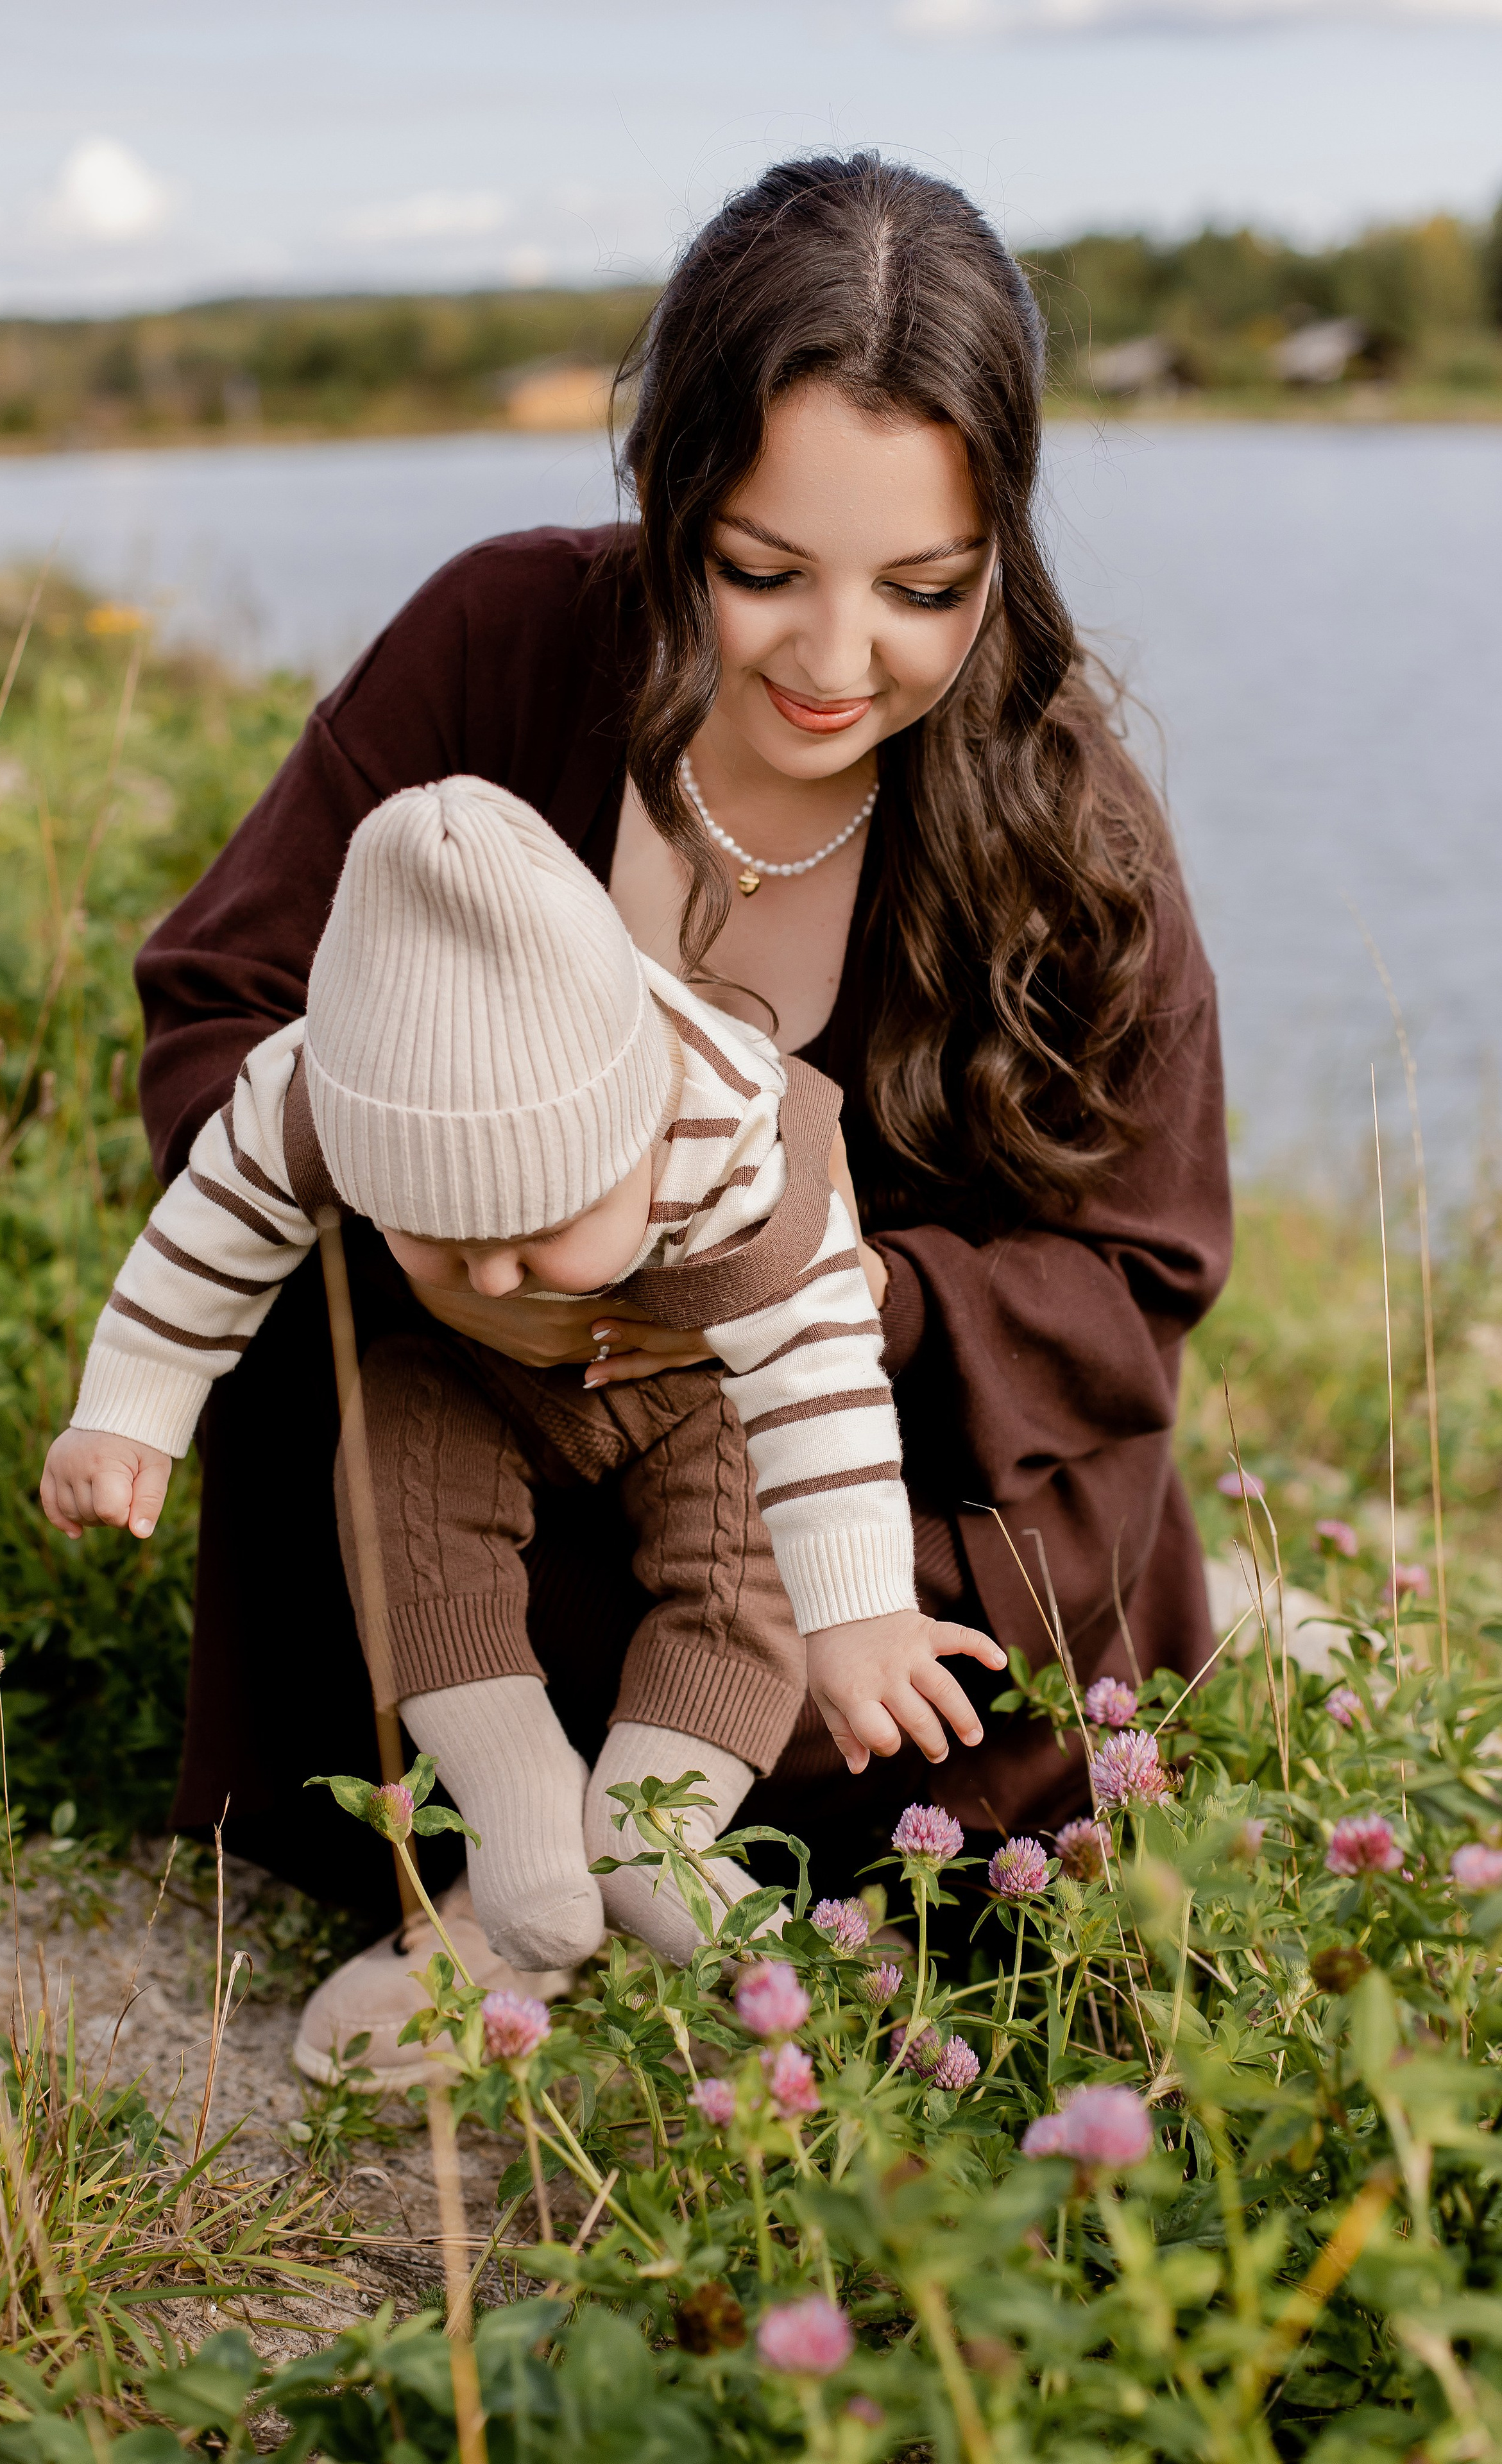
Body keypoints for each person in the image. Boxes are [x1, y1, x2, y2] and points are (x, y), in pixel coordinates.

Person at [131, 153, 1232, 2062]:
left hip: (846, 1465)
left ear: (1005, 551)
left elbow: (1140, 1279)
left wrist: (815, 1287)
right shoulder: (501, 649)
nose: (831, 661)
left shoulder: (1068, 829)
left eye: (923, 591)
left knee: (922, 1592)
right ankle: (511, 1855)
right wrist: (438, 1235)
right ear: (667, 505)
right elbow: (223, 1004)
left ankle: (743, 1872)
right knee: (355, 1407)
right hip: (478, 1416)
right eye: (759, 572)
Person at [41, 775, 1008, 2057]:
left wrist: (861, 1614)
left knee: (741, 1552)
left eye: (536, 1235)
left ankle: (654, 1831)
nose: (493, 1278)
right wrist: (124, 1417)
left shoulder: (727, 1132)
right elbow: (204, 1238)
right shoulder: (314, 1098)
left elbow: (818, 1374)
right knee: (397, 1453)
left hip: (689, 1384)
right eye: (441, 1243)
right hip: (470, 1385)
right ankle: (512, 1798)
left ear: (636, 1133)